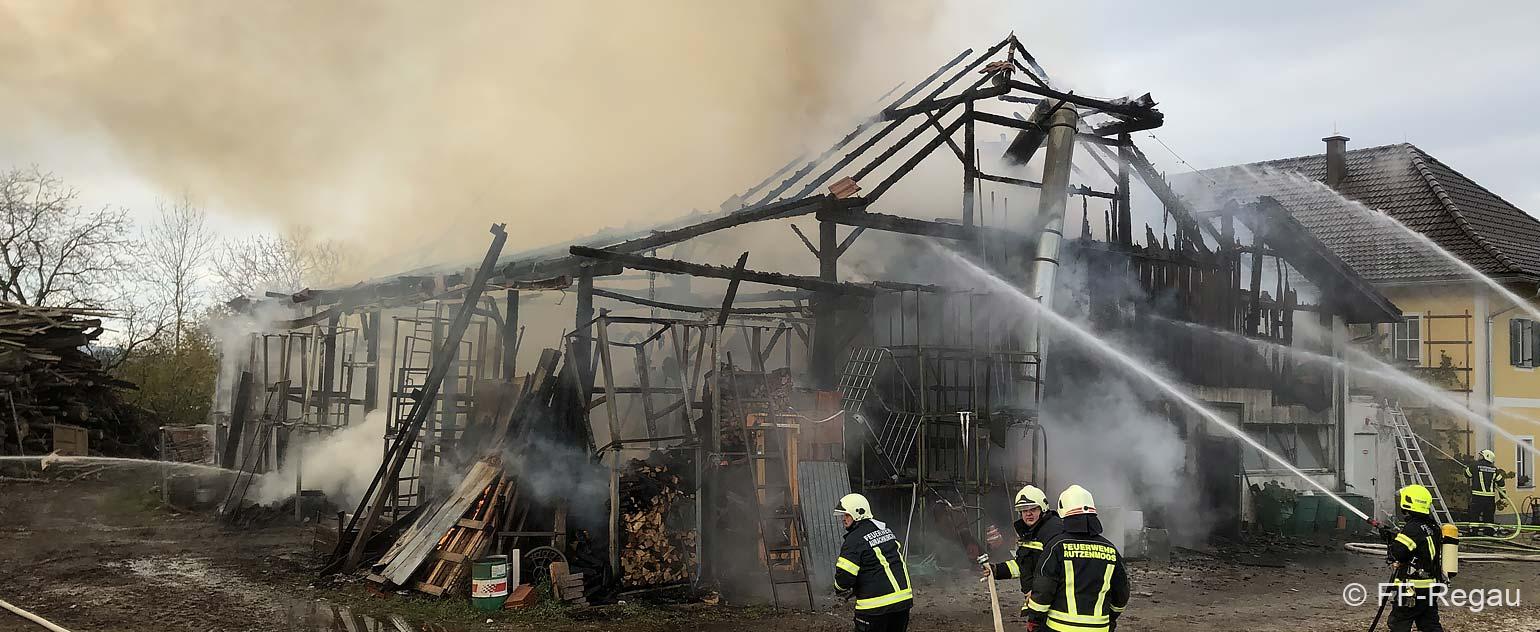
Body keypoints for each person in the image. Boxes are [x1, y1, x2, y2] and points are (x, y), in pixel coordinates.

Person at [1025, 485, 1129, 632]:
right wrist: (1109, 618)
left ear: (1064, 514)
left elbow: (1043, 590)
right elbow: (1122, 593)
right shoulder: (1110, 549)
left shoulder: (1057, 546)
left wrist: (1034, 620)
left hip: (1059, 628)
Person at [833, 493, 913, 632]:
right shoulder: (885, 531)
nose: (843, 520)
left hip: (875, 607)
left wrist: (838, 588)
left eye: (846, 515)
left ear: (857, 514)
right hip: (903, 603)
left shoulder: (853, 541)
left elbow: (844, 579)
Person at [979, 485, 1063, 618]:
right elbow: (1023, 565)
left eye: (1033, 509)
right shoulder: (1030, 532)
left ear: (1043, 508)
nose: (1028, 514)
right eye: (1024, 510)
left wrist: (1038, 595)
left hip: (1052, 603)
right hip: (1039, 601)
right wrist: (996, 570)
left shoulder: (1053, 531)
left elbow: (1053, 570)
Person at [1382, 484, 1447, 632]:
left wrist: (1390, 541)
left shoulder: (1412, 528)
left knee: (1399, 623)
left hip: (1413, 588)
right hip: (1430, 587)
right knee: (1429, 624)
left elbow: (1397, 553)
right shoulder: (1432, 527)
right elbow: (1418, 549)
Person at [1464, 449, 1503, 529]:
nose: (1479, 457)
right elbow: (1501, 483)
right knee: (1489, 518)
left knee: (1474, 517)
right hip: (1490, 499)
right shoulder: (1495, 469)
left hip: (1477, 498)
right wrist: (1503, 498)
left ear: (1486, 457)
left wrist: (1469, 469)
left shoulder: (1474, 465)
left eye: (1481, 455)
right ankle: (1489, 534)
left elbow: (1467, 475)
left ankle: (1473, 533)